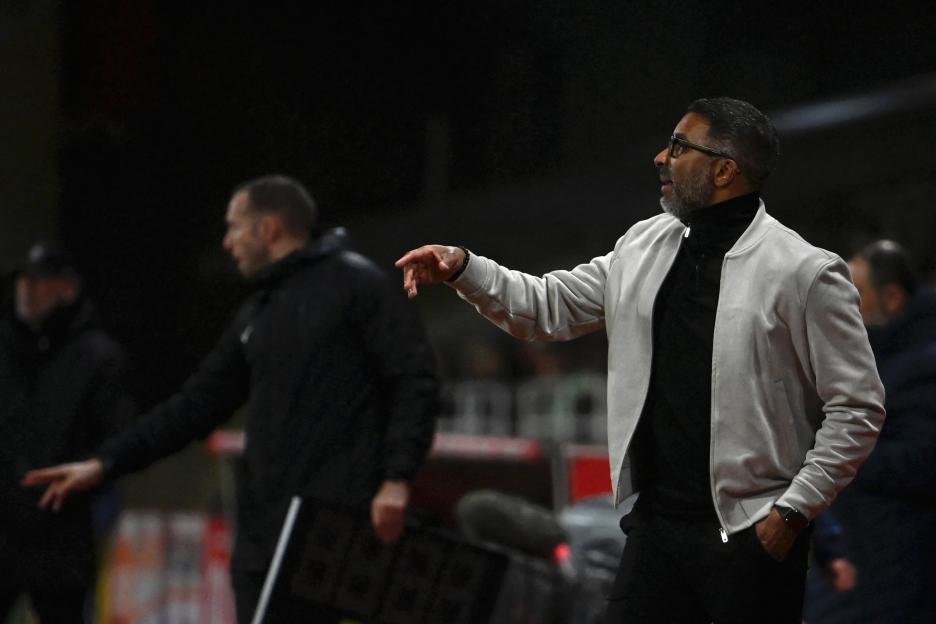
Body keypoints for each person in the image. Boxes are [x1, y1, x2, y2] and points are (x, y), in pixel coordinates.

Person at [395, 97, 885, 624]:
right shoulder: (643, 244)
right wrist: (464, 269)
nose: (661, 158)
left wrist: (791, 512)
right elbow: (548, 307)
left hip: (750, 535)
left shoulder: (806, 272)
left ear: (724, 171)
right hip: (655, 529)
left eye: (679, 146)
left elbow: (858, 407)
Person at [23, 175, 439, 623]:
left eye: (235, 226)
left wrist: (397, 477)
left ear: (270, 228)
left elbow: (414, 379)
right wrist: (105, 462)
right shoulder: (257, 313)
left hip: (331, 531)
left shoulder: (357, 286)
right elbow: (193, 406)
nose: (227, 241)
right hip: (263, 534)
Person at [804, 240, 936, 623]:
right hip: (855, 556)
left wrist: (836, 454)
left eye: (855, 294)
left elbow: (921, 461)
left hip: (892, 568)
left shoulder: (922, 367)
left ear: (892, 298)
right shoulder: (871, 359)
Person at [1, 243, 133, 623]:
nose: (28, 289)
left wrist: (93, 484)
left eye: (40, 281)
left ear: (67, 288)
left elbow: (117, 440)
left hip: (61, 531)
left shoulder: (97, 357)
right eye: (23, 280)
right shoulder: (5, 348)